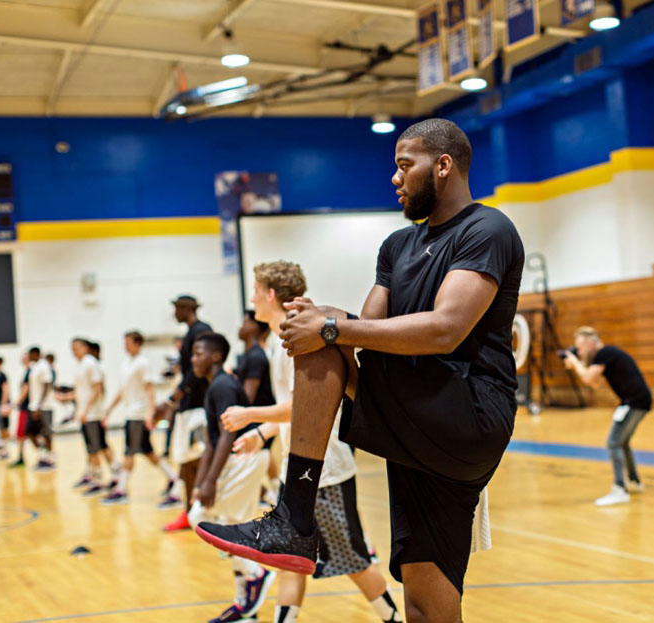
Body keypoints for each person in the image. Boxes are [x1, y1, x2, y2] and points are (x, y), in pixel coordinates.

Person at [196, 118, 524, 622]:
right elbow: (368, 334)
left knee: (324, 334)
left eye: (403, 165)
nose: (394, 178)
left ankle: (294, 517)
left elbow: (445, 329)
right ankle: (295, 520)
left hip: (469, 413)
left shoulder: (488, 229)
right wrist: (324, 318)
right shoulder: (397, 246)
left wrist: (329, 327)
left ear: (443, 166)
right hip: (417, 423)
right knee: (423, 598)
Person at [221, 262, 402, 623]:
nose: (252, 297)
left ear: (271, 295)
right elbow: (295, 411)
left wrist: (251, 416)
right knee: (289, 557)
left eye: (256, 290)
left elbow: (303, 407)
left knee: (352, 558)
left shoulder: (300, 338)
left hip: (326, 471)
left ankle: (393, 619)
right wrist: (263, 434)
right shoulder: (276, 339)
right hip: (299, 468)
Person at [186, 331, 276, 623]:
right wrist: (200, 482)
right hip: (238, 461)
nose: (192, 358)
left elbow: (226, 436)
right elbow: (211, 443)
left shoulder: (223, 386)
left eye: (198, 353)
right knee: (231, 529)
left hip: (244, 459)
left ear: (215, 356)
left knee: (202, 518)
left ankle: (257, 573)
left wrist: (210, 482)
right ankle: (244, 605)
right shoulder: (214, 386)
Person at [561, 326, 651, 506]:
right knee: (622, 442)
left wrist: (575, 363)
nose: (579, 352)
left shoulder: (605, 352)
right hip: (640, 401)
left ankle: (620, 489)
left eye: (580, 348)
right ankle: (634, 480)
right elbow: (595, 384)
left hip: (634, 402)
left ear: (591, 343)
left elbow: (587, 379)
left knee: (613, 442)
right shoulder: (606, 356)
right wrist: (579, 364)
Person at [155, 295, 212, 530]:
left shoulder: (201, 330)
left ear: (188, 309)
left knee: (197, 461)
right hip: (189, 406)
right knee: (187, 460)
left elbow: (197, 371)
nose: (174, 313)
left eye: (177, 308)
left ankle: (201, 512)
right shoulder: (191, 332)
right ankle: (190, 512)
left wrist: (171, 399)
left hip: (200, 406)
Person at [101, 331, 178, 505]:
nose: (125, 346)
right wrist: (109, 410)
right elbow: (123, 391)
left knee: (130, 451)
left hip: (139, 414)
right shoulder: (126, 363)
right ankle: (174, 477)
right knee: (148, 452)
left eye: (128, 342)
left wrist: (151, 413)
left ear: (137, 344)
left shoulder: (143, 363)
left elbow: (149, 388)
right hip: (130, 413)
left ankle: (121, 489)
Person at [235, 310, 280, 505]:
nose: (241, 326)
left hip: (259, 418)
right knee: (263, 455)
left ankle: (274, 494)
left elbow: (248, 396)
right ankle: (275, 493)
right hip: (258, 418)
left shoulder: (255, 356)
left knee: (251, 459)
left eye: (245, 322)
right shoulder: (250, 354)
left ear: (254, 326)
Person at [71, 338, 116, 495]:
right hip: (87, 414)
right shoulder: (82, 365)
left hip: (93, 415)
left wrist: (86, 410)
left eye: (76, 348)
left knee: (96, 448)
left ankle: (98, 480)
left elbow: (97, 389)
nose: (73, 351)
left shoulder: (90, 364)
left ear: (85, 348)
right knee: (98, 447)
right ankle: (113, 474)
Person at [26, 346, 56, 471]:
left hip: (43, 406)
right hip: (33, 406)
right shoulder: (34, 367)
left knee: (46, 433)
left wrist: (39, 405)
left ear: (35, 353)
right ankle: (43, 455)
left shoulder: (44, 366)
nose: (29, 357)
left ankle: (50, 458)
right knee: (31, 433)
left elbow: (46, 386)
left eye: (30, 354)